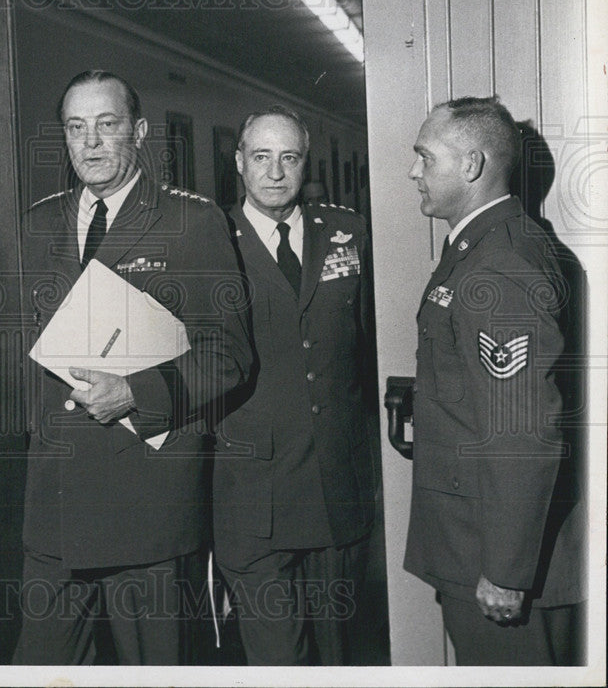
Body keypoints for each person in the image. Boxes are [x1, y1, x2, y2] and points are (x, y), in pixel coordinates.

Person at [13, 70, 252, 665]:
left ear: (139, 132)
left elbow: (229, 356)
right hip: (57, 502)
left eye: (107, 125)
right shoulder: (39, 222)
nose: (90, 143)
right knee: (38, 669)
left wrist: (136, 393)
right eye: (76, 128)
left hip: (147, 501)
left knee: (156, 672)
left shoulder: (193, 221)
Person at [405, 96, 586, 665]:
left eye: (424, 157)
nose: (413, 171)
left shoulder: (499, 266)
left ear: (472, 165)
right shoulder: (486, 246)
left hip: (494, 554)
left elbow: (521, 431)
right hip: (474, 535)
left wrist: (506, 571)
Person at [213, 105, 378, 665]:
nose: (275, 172)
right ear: (239, 162)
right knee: (278, 664)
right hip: (254, 503)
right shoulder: (212, 241)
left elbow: (364, 349)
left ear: (306, 163)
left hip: (337, 493)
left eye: (289, 157)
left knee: (340, 661)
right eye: (261, 157)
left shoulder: (347, 232)